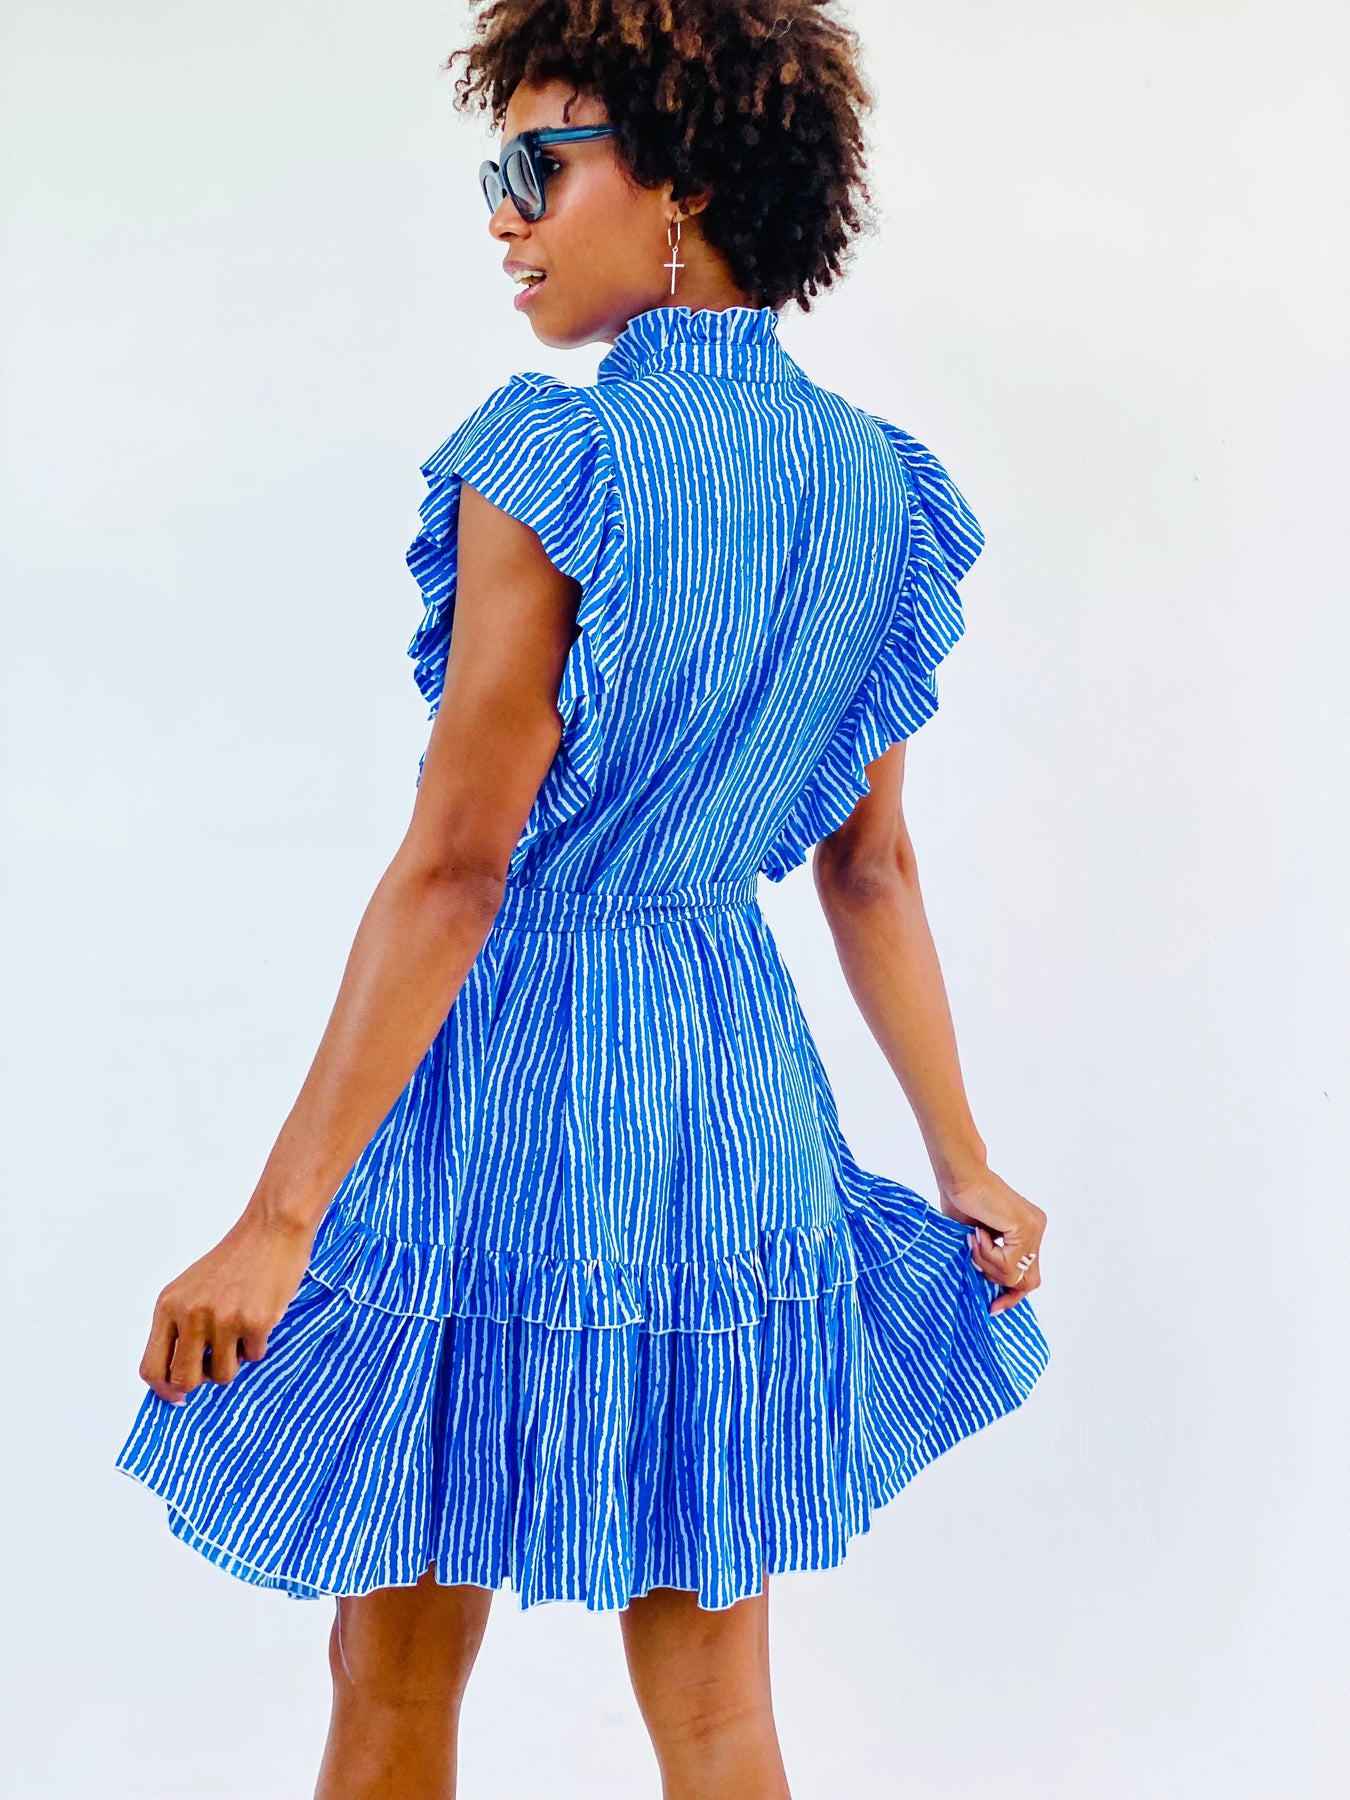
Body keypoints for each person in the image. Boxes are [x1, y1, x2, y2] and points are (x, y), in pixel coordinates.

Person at [114, 3, 1050, 1796]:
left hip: (505, 1083)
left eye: (537, 165)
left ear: (683, 176)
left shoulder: (556, 461)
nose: (503, 215)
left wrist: (277, 1221)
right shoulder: (876, 485)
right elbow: (869, 863)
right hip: (722, 1091)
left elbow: (460, 865)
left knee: (392, 1671)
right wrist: (961, 1160)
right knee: (714, 1711)